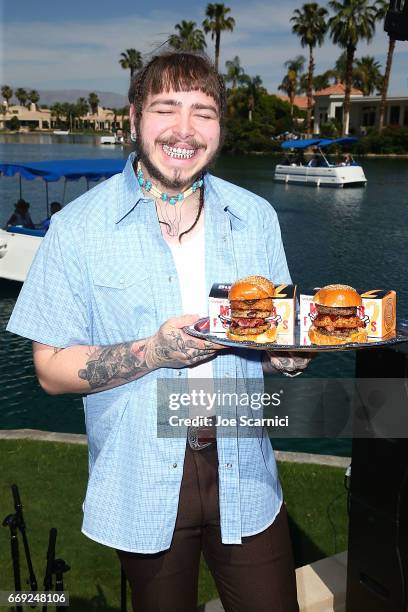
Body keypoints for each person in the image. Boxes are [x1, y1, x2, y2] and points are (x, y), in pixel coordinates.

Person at [7, 51, 310, 612]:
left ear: (220, 127)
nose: (184, 130)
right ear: (133, 119)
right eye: (166, 108)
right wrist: (152, 351)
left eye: (204, 112)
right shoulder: (77, 229)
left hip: (245, 469)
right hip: (142, 474)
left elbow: (267, 339)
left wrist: (287, 355)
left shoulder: (257, 217)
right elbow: (49, 369)